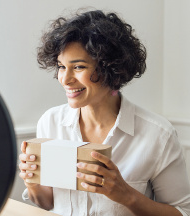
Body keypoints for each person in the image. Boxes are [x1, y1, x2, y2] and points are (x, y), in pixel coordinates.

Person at [18, 10, 190, 216]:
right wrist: (33, 182)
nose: (65, 79)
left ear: (111, 69)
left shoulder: (158, 135)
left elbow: (182, 212)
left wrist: (126, 195)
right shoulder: (50, 122)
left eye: (79, 67)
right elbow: (46, 203)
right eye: (62, 66)